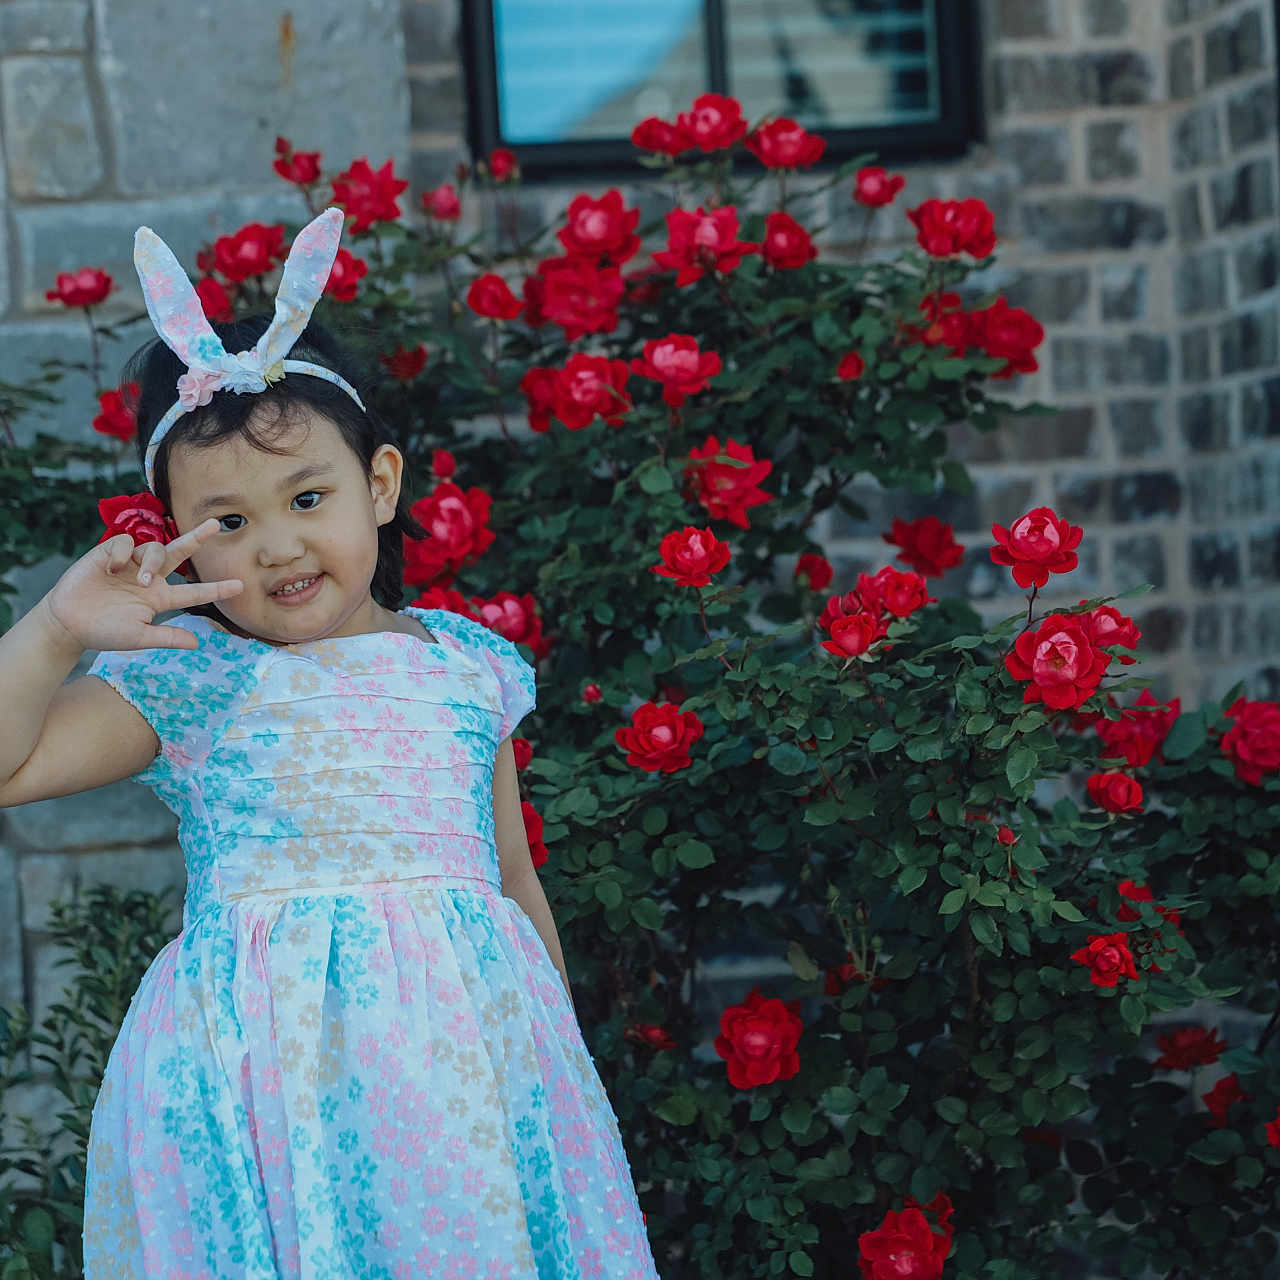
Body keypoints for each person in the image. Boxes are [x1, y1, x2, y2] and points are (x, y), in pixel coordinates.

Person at [0, 208, 660, 1278]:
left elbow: (511, 879)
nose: (276, 546)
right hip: (260, 1093)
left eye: (308, 496)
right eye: (224, 522)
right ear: (168, 533)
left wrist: (554, 1065)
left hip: (461, 1091)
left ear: (381, 485)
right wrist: (55, 629)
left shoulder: (461, 668)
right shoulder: (195, 678)